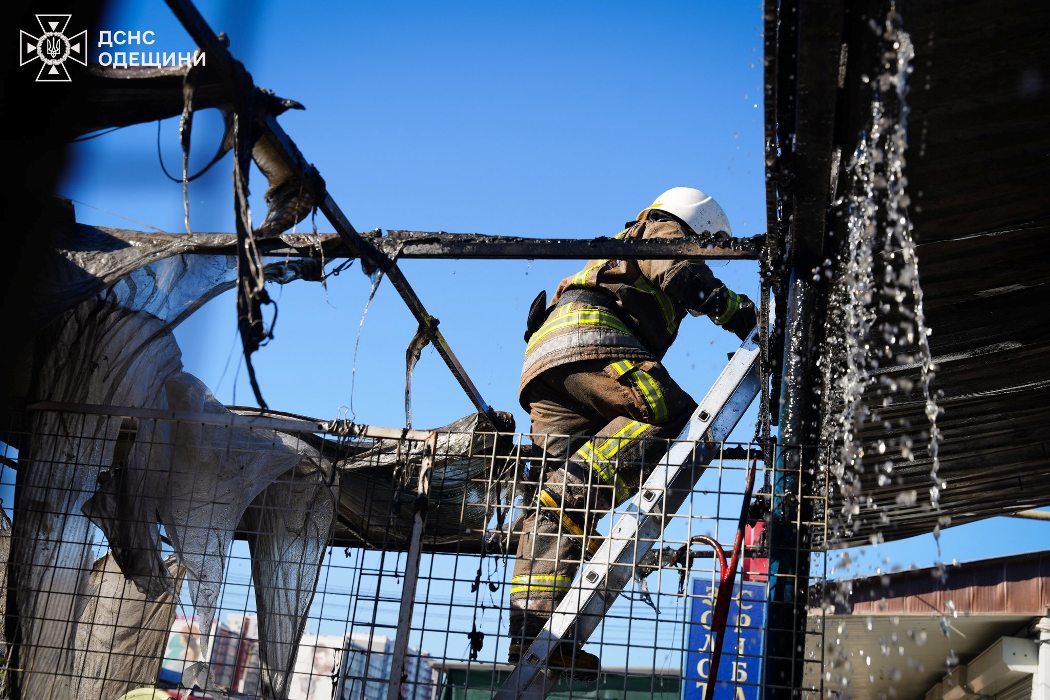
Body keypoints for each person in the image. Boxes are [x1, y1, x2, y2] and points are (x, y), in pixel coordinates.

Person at [509, 187, 757, 671]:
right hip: (591, 343)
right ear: (697, 225)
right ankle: (577, 485)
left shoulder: (612, 249)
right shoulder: (661, 230)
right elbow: (683, 273)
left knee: (558, 503)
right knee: (672, 414)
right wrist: (744, 315)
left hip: (544, 367)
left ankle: (534, 635)